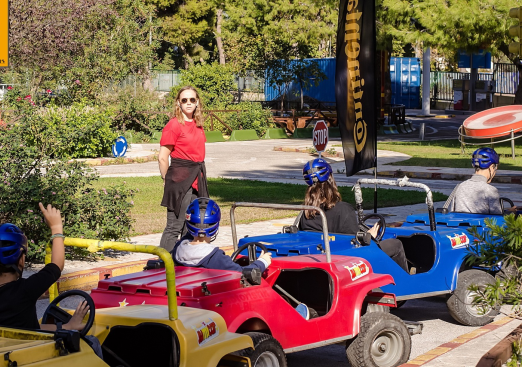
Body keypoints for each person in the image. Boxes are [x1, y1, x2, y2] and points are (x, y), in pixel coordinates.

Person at [173, 197, 311, 319]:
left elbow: (190, 236)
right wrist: (262, 262)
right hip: (220, 304)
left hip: (191, 301)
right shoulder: (214, 257)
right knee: (262, 288)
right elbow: (243, 274)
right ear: (215, 225)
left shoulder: (178, 250)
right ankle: (290, 315)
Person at [0, 203, 89, 331]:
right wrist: (56, 228)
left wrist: (67, 326)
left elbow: (26, 328)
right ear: (21, 259)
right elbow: (56, 266)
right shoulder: (26, 290)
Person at [300, 159, 410, 273]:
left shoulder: (306, 212)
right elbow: (354, 246)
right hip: (344, 261)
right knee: (396, 244)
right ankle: (406, 282)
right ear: (331, 179)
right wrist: (369, 237)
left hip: (319, 257)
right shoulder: (343, 209)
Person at [159, 86, 208, 252]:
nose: (188, 103)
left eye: (192, 100)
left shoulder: (198, 124)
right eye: (184, 100)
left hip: (197, 178)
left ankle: (183, 260)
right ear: (178, 103)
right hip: (179, 179)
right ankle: (164, 262)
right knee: (175, 226)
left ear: (197, 102)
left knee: (192, 225)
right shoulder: (173, 125)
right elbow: (162, 157)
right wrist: (166, 179)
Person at [444, 147, 517, 214]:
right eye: (495, 169)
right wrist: (509, 213)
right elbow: (496, 219)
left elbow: (454, 213)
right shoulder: (490, 190)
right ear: (491, 167)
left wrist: (506, 210)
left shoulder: (460, 187)